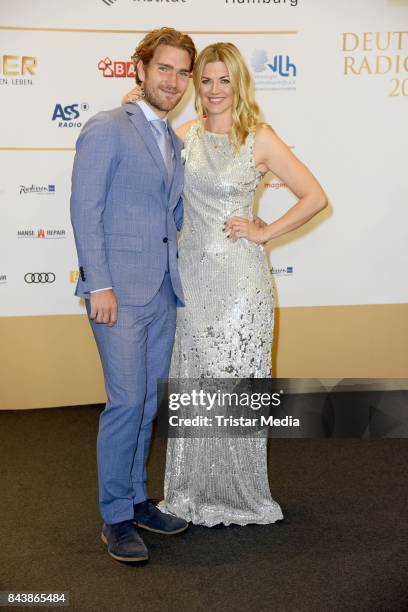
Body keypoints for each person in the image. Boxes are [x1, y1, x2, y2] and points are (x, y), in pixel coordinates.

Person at [122, 41, 327, 527]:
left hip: (240, 283)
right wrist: (134, 113)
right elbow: (146, 169)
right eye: (206, 80)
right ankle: (191, 491)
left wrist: (264, 231)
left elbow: (314, 196)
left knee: (233, 382)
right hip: (190, 279)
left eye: (224, 80)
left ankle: (241, 495)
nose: (214, 90)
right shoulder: (185, 133)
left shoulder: (259, 138)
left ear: (239, 84)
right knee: (194, 382)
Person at [70, 28, 197, 563]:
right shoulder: (106, 127)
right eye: (163, 68)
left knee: (146, 403)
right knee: (125, 404)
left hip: (162, 291)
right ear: (139, 70)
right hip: (117, 292)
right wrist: (98, 283)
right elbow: (85, 209)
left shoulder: (172, 139)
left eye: (181, 72)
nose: (172, 80)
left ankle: (138, 500)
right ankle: (115, 517)